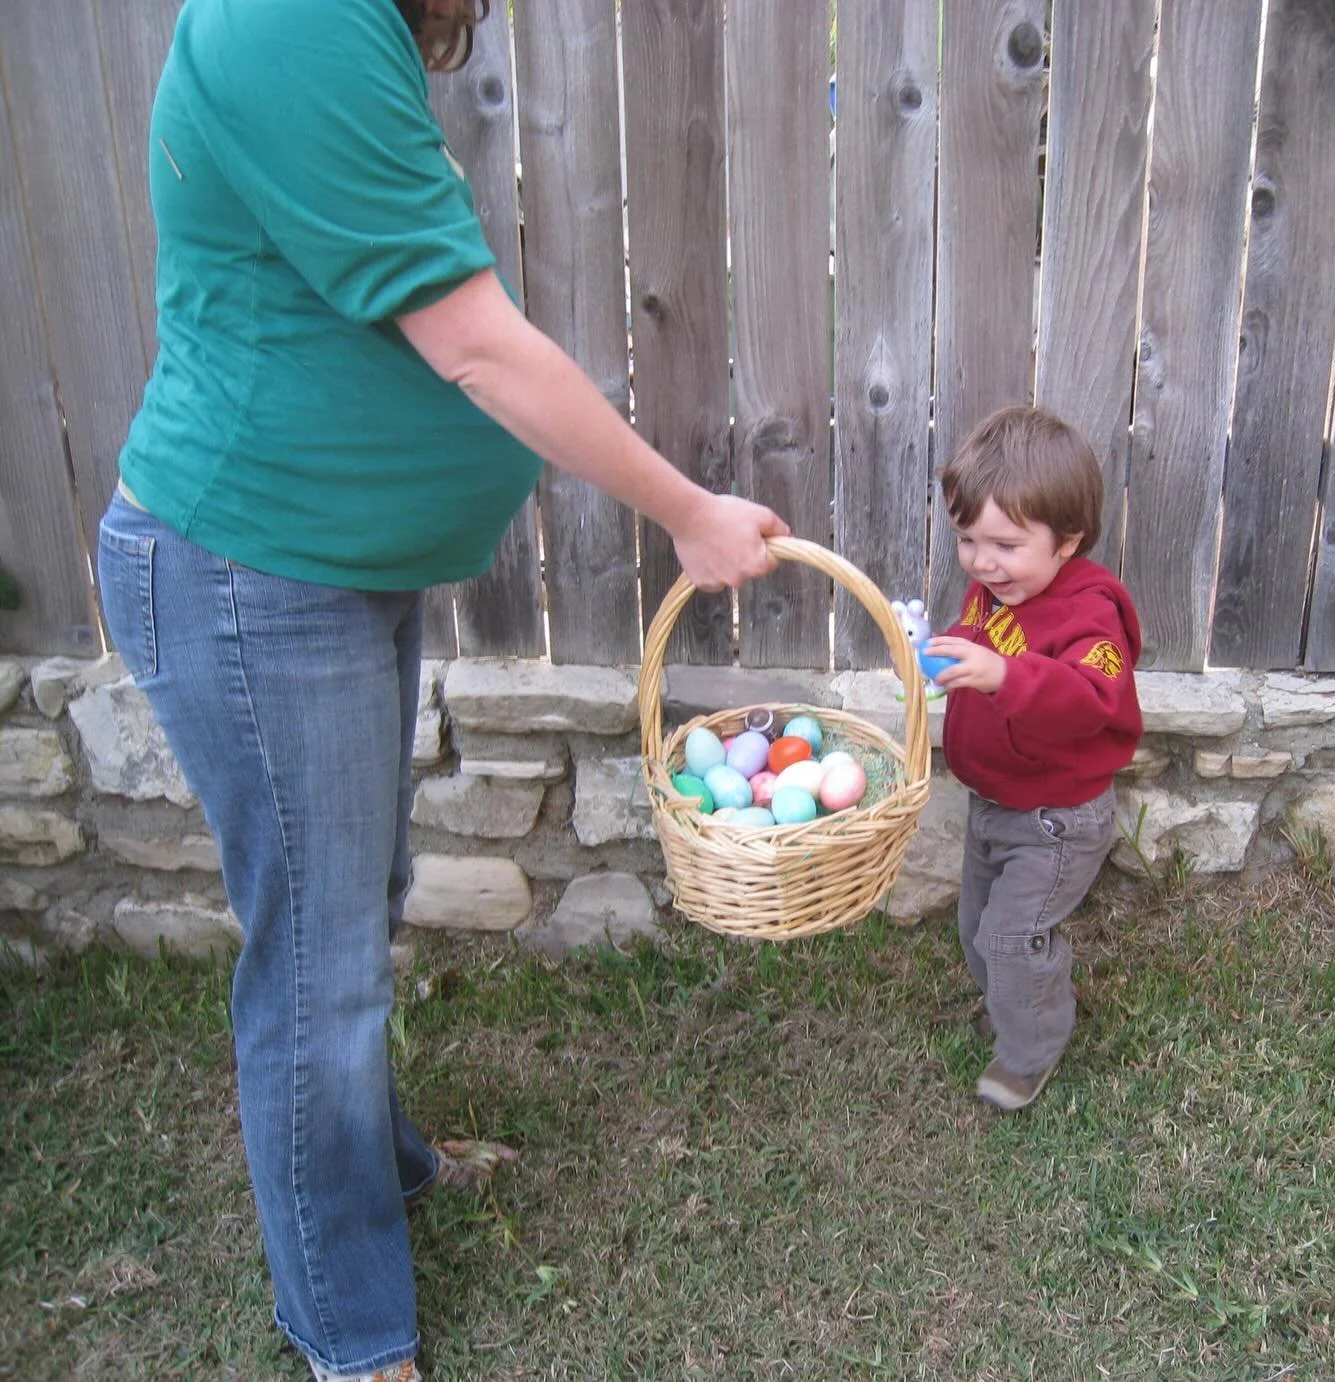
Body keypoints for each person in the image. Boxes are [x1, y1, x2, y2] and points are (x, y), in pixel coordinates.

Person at [95, 1, 790, 1378]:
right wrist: (687, 511)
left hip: (321, 558)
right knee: (318, 966)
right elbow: (471, 344)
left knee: (359, 904)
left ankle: (384, 1160)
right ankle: (351, 1331)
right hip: (252, 559)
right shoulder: (287, 15)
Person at [923, 406, 1142, 1113]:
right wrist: (944, 653)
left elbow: (1093, 700)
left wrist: (1003, 677)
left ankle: (1031, 1050)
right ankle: (1025, 996)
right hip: (995, 803)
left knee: (1011, 937)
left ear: (1068, 540)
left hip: (1057, 821)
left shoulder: (1089, 615)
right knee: (977, 932)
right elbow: (976, 635)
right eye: (967, 540)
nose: (983, 563)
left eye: (1005, 545)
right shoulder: (996, 590)